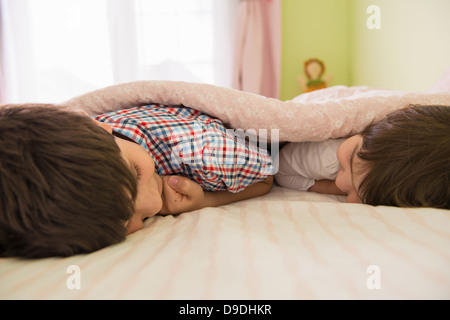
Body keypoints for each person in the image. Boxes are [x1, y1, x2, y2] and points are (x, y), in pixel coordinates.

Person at [0, 104, 273, 258]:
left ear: (99, 127)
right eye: (125, 220)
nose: (154, 205)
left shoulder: (204, 151)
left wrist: (207, 200)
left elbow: (267, 178)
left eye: (136, 171)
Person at [275, 105, 450, 209]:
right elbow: (280, 169)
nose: (339, 183)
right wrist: (325, 187)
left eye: (359, 194)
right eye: (348, 159)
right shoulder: (325, 156)